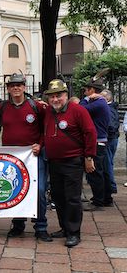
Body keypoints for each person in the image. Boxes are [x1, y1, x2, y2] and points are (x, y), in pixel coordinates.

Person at [0, 73, 51, 241]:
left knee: (39, 190)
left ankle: (41, 226)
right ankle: (18, 224)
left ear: (24, 87)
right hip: (12, 159)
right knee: (16, 190)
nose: (16, 88)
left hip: (33, 156)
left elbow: (45, 129)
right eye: (12, 85)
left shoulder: (36, 107)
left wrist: (40, 144)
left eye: (19, 85)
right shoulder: (2, 108)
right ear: (8, 89)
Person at [42, 79, 97, 248]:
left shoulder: (78, 111)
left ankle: (74, 232)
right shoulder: (49, 112)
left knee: (72, 198)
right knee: (58, 197)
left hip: (73, 161)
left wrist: (89, 157)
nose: (55, 99)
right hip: (54, 161)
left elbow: (90, 133)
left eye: (58, 95)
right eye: (52, 97)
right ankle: (64, 228)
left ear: (66, 95)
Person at [80, 77, 111, 210]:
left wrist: (87, 99)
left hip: (97, 142)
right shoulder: (101, 103)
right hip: (101, 141)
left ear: (92, 90)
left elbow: (80, 109)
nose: (85, 93)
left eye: (86, 91)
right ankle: (105, 198)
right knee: (102, 172)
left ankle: (98, 201)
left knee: (94, 172)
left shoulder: (98, 103)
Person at [101, 89, 119, 194]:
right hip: (113, 138)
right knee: (109, 163)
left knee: (107, 165)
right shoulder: (113, 107)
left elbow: (111, 125)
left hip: (110, 139)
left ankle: (111, 186)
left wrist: (107, 134)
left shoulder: (108, 108)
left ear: (107, 97)